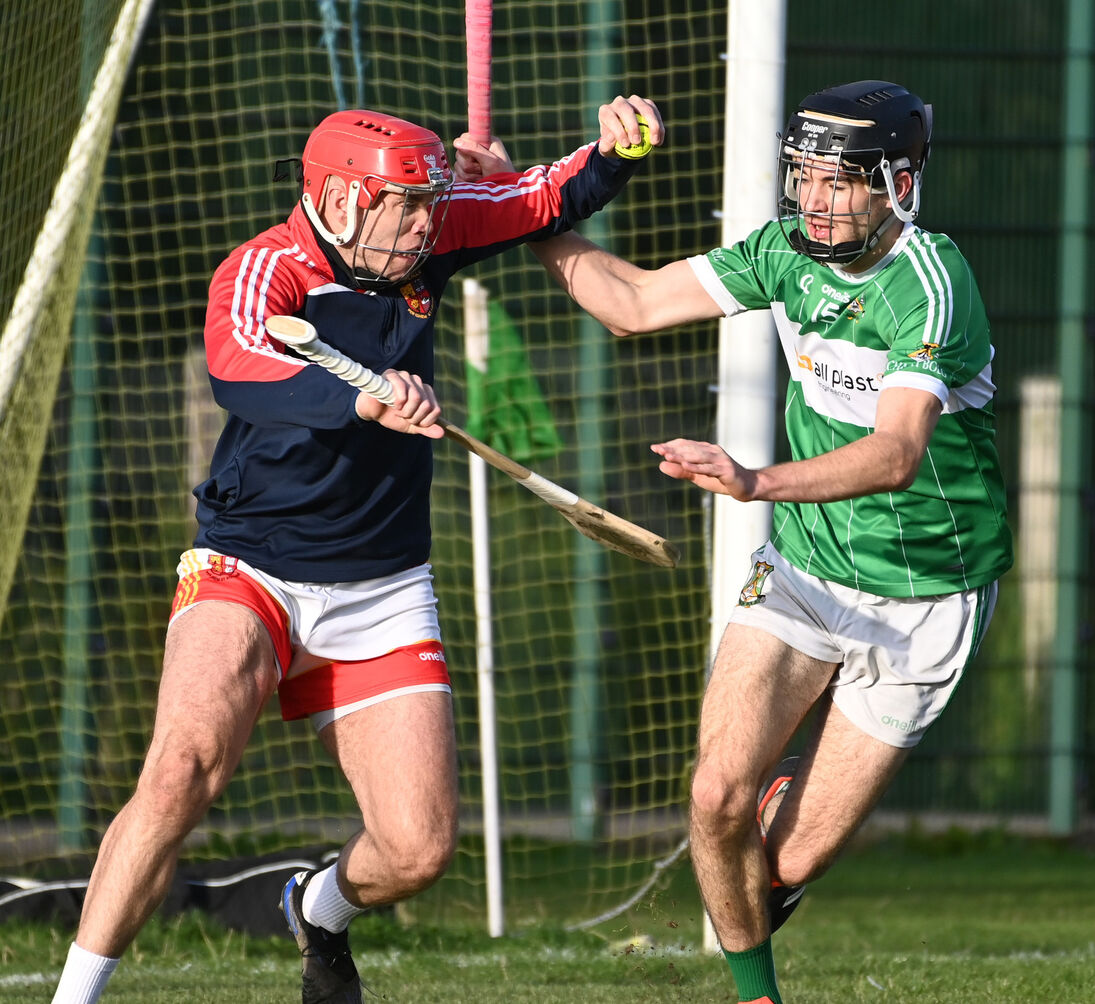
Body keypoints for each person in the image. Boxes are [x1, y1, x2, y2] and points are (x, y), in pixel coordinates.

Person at [50, 95, 665, 1004]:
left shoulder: (430, 234)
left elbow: (538, 200)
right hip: (249, 565)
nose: (427, 227)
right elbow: (243, 366)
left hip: (382, 584)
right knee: (181, 770)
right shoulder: (267, 267)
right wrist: (362, 399)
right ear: (341, 199)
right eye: (406, 207)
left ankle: (320, 912)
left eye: (431, 206)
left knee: (418, 849)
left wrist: (613, 156)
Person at [528, 80, 1013, 1004]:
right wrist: (518, 208)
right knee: (713, 796)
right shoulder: (781, 255)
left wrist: (753, 482)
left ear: (900, 184)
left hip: (927, 598)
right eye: (803, 177)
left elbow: (897, 454)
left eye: (840, 182)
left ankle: (771, 843)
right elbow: (629, 302)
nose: (814, 202)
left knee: (781, 864)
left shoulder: (931, 286)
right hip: (803, 568)